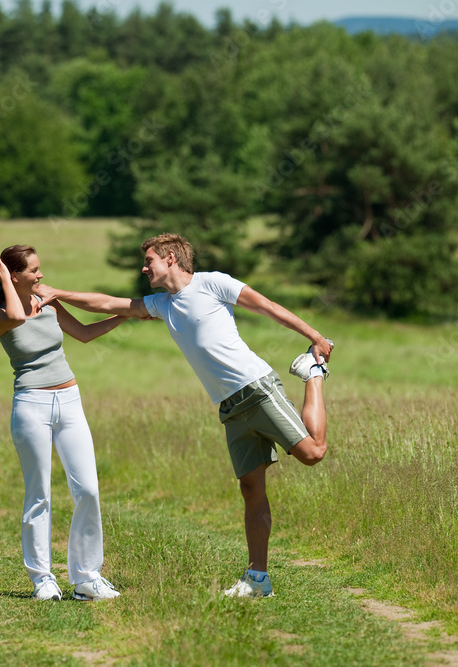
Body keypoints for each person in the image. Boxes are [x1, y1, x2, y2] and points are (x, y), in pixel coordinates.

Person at [34, 232, 333, 599]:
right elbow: (110, 303)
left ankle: (312, 375)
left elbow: (268, 307)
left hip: (257, 389)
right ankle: (258, 580)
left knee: (312, 453)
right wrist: (59, 293)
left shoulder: (214, 283)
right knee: (251, 488)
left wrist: (315, 336)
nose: (144, 268)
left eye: (150, 262)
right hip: (228, 407)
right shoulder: (163, 304)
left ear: (171, 257)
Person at [0, 244, 127, 602]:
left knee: (89, 489)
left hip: (70, 401)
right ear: (13, 274)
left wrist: (127, 316)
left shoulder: (47, 300)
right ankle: (42, 580)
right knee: (39, 495)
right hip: (31, 405)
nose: (41, 276)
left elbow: (85, 334)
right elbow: (17, 319)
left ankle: (87, 578)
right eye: (33, 270)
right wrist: (5, 282)